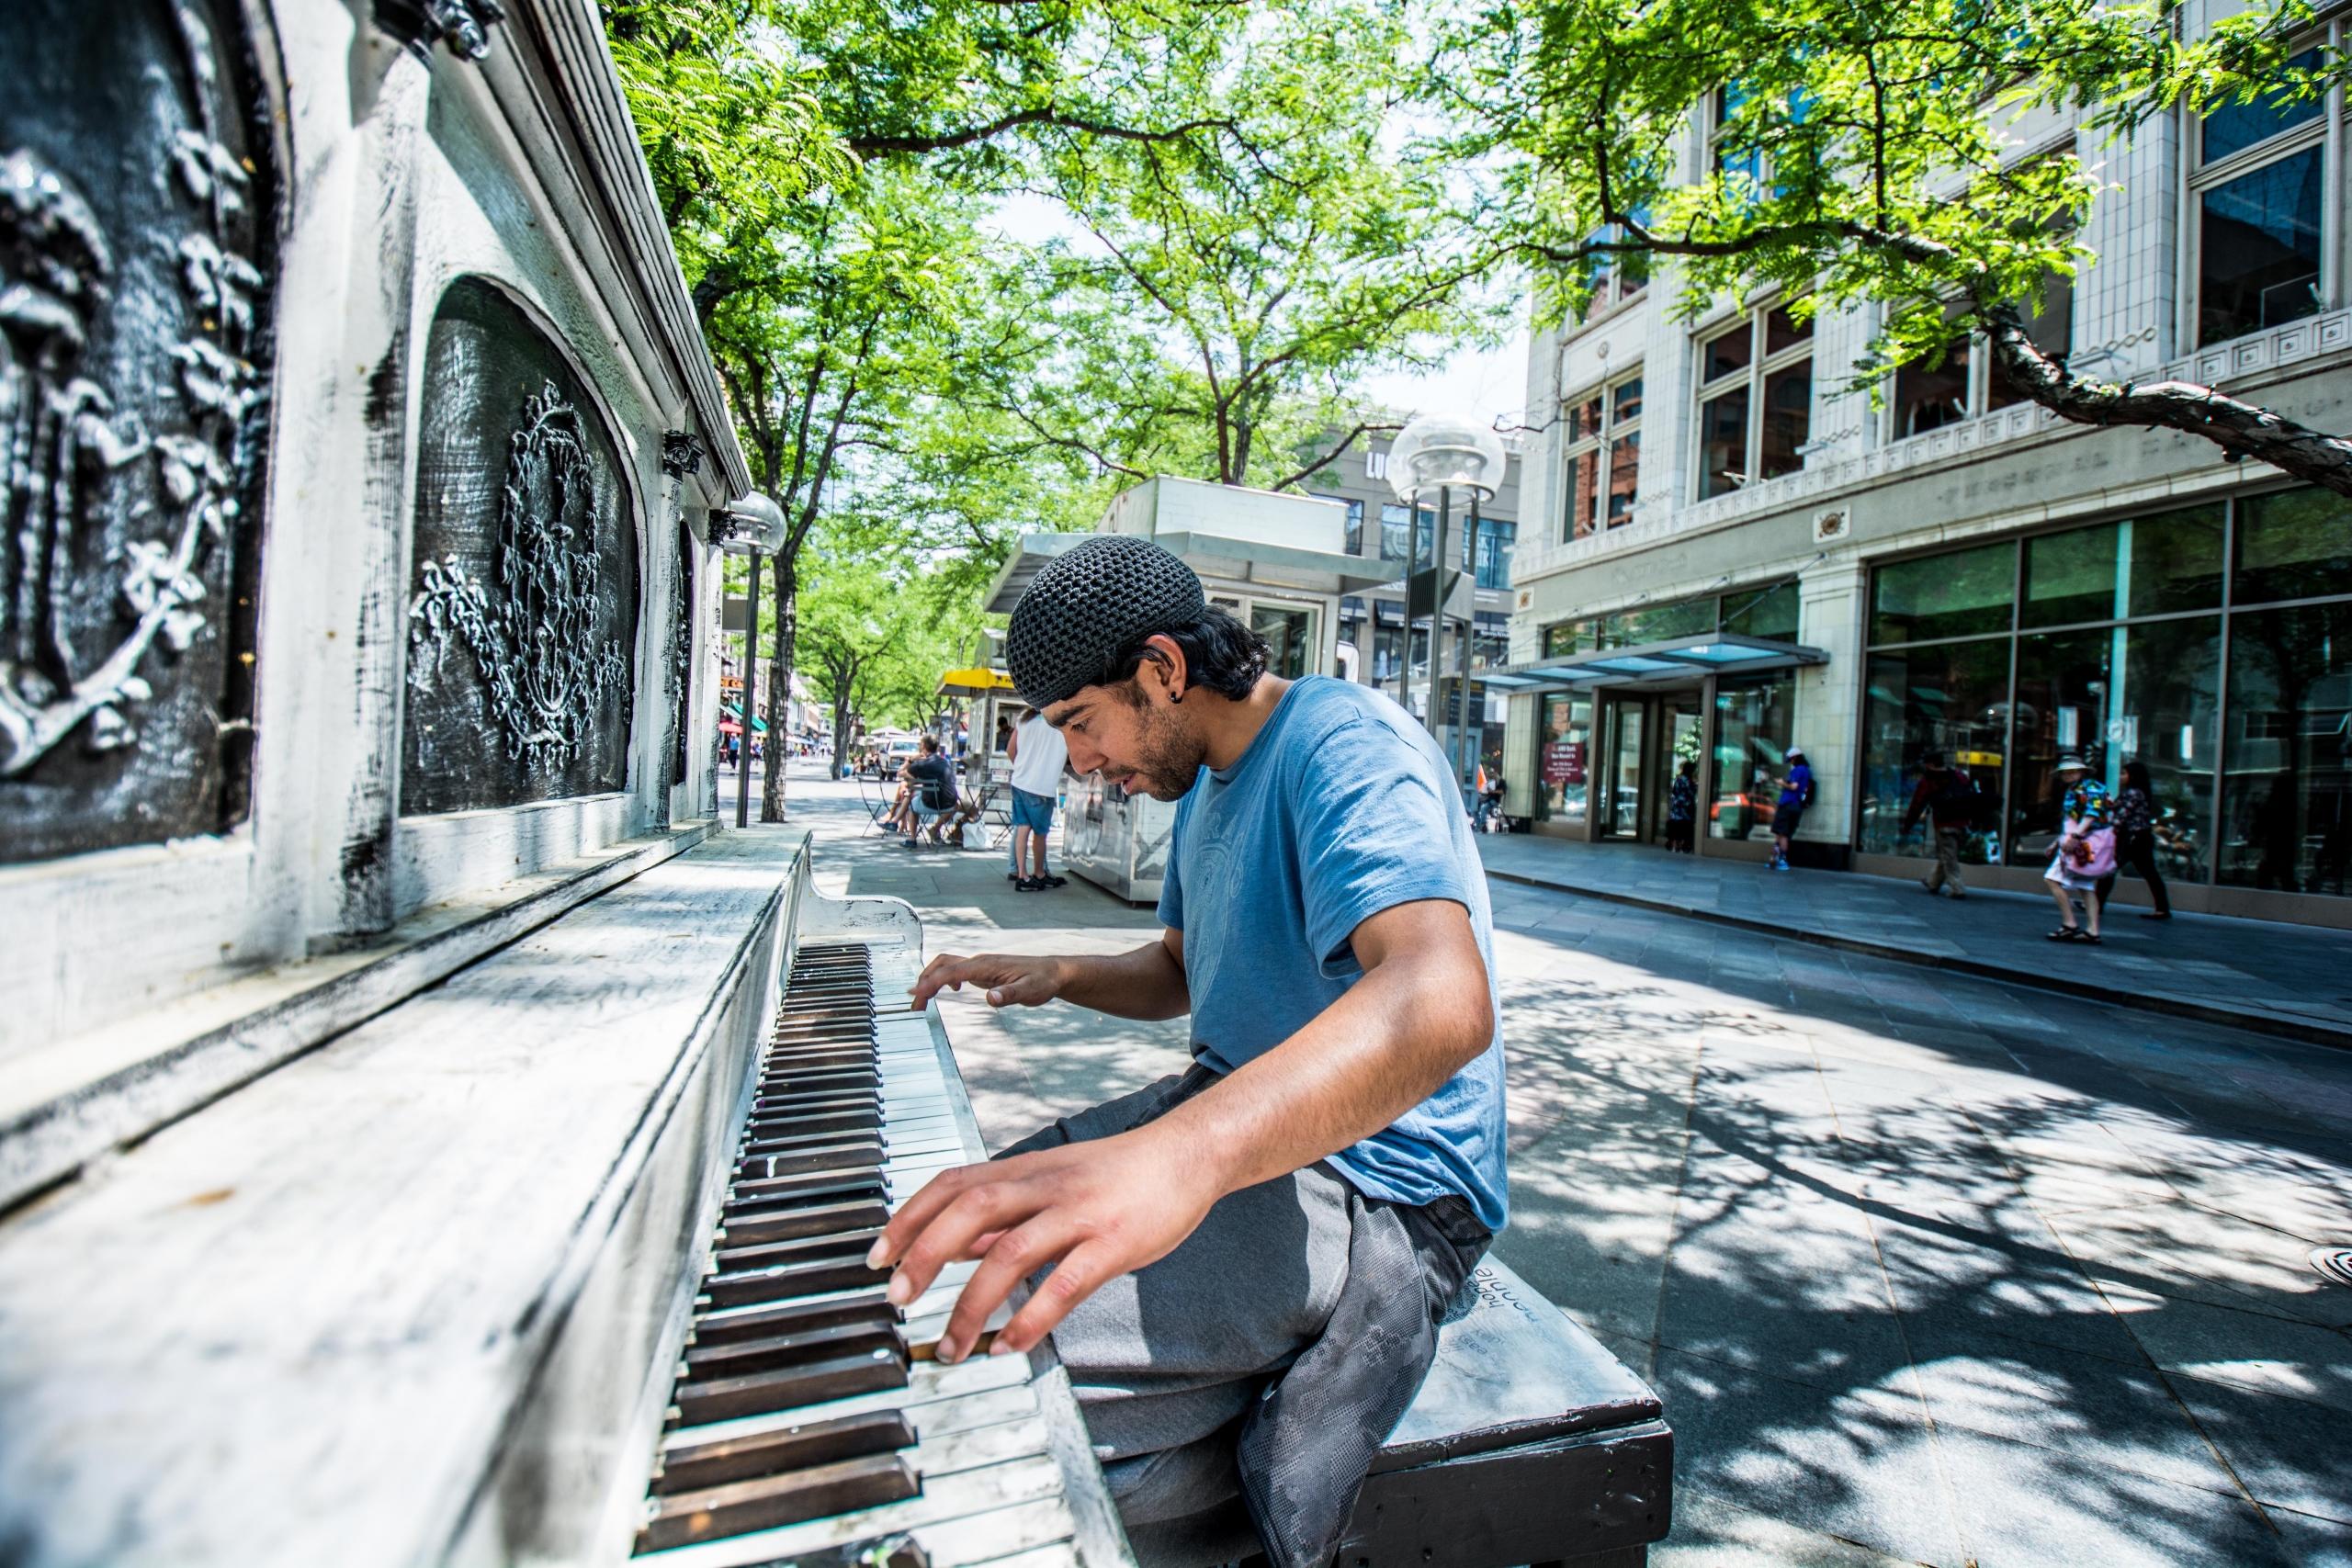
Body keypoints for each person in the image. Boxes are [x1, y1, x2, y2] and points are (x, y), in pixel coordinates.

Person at [880, 536, 1504, 1567]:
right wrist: (1060, 972)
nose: (1077, 760)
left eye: (1079, 721)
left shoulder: (1344, 739)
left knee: (978, 1355)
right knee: (945, 1245)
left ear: (1162, 670)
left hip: (1386, 1182)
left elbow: (1438, 1000)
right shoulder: (1208, 781)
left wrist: (1178, 1157)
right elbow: (1180, 965)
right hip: (1242, 1121)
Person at [2042, 753, 2114, 943]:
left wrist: (2074, 837)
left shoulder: (2090, 788)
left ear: (2081, 771)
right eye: (2065, 772)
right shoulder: (2076, 789)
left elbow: (2091, 813)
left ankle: (2070, 924)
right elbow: (2072, 821)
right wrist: (2057, 842)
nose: (2068, 774)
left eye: (2072, 771)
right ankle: (2092, 930)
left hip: (2082, 843)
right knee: (2086, 887)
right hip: (2083, 843)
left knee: (2052, 879)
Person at [1006, 705, 1070, 891]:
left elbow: (1011, 749)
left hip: (1019, 782)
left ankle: (1022, 877)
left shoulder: (1025, 719)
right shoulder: (1061, 724)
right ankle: (1039, 873)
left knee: (1022, 829)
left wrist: (1023, 768)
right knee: (1040, 835)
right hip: (1042, 787)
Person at [2100, 759, 2172, 919]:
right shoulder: (2136, 792)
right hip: (2140, 837)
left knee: (2110, 868)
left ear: (2133, 776)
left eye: (2124, 773)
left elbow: (2122, 816)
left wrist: (2109, 832)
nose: (2120, 776)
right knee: (2149, 872)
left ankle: (2096, 904)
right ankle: (2162, 908)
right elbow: (2118, 808)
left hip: (2134, 838)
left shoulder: (2133, 793)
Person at [1903, 750, 1976, 898]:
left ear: (1930, 764)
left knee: (1949, 856)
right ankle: (1932, 882)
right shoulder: (1959, 775)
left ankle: (1957, 887)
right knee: (1947, 854)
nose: (1924, 767)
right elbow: (1972, 795)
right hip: (1962, 822)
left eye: (1925, 764)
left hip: (1945, 823)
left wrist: (1908, 825)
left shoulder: (1929, 780)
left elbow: (1917, 804)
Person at [899, 735, 957, 850]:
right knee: (916, 794)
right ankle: (935, 829)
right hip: (950, 805)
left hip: (932, 804)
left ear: (924, 746)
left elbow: (900, 773)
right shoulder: (945, 763)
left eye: (920, 744)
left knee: (911, 804)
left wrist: (910, 760)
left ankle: (912, 839)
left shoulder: (922, 764)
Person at [1770, 747, 1814, 870]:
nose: (1791, 762)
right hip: (1797, 806)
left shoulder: (1797, 770)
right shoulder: (1806, 771)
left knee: (1782, 834)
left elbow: (1794, 786)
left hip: (1788, 804)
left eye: (1791, 759)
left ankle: (1782, 861)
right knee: (1781, 833)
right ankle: (1773, 860)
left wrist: (1781, 783)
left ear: (1795, 758)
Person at [1665, 759, 1697, 852]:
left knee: (1676, 825)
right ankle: (1684, 845)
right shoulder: (1688, 781)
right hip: (1686, 807)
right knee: (1685, 826)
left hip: (1677, 806)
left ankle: (1675, 844)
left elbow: (1674, 791)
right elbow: (1692, 793)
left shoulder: (1678, 779)